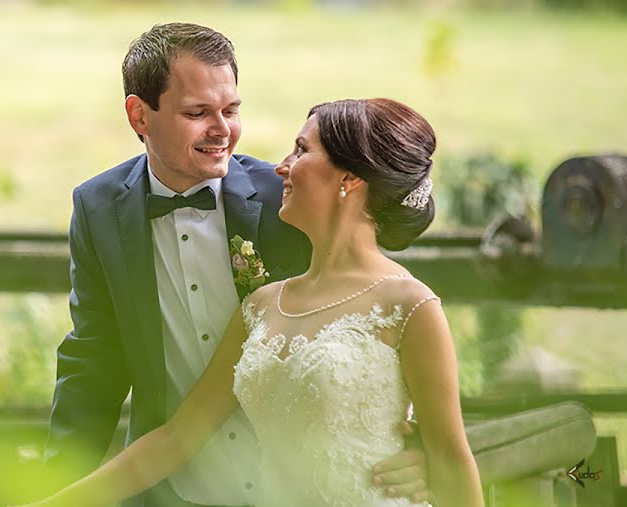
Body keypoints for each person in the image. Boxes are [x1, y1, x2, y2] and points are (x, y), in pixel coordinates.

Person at [39, 23, 431, 507]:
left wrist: (417, 446)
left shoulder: (289, 198)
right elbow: (93, 363)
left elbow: (374, 320)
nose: (222, 129)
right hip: (169, 487)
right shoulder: (99, 208)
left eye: (230, 110)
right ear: (140, 115)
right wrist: (50, 490)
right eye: (197, 113)